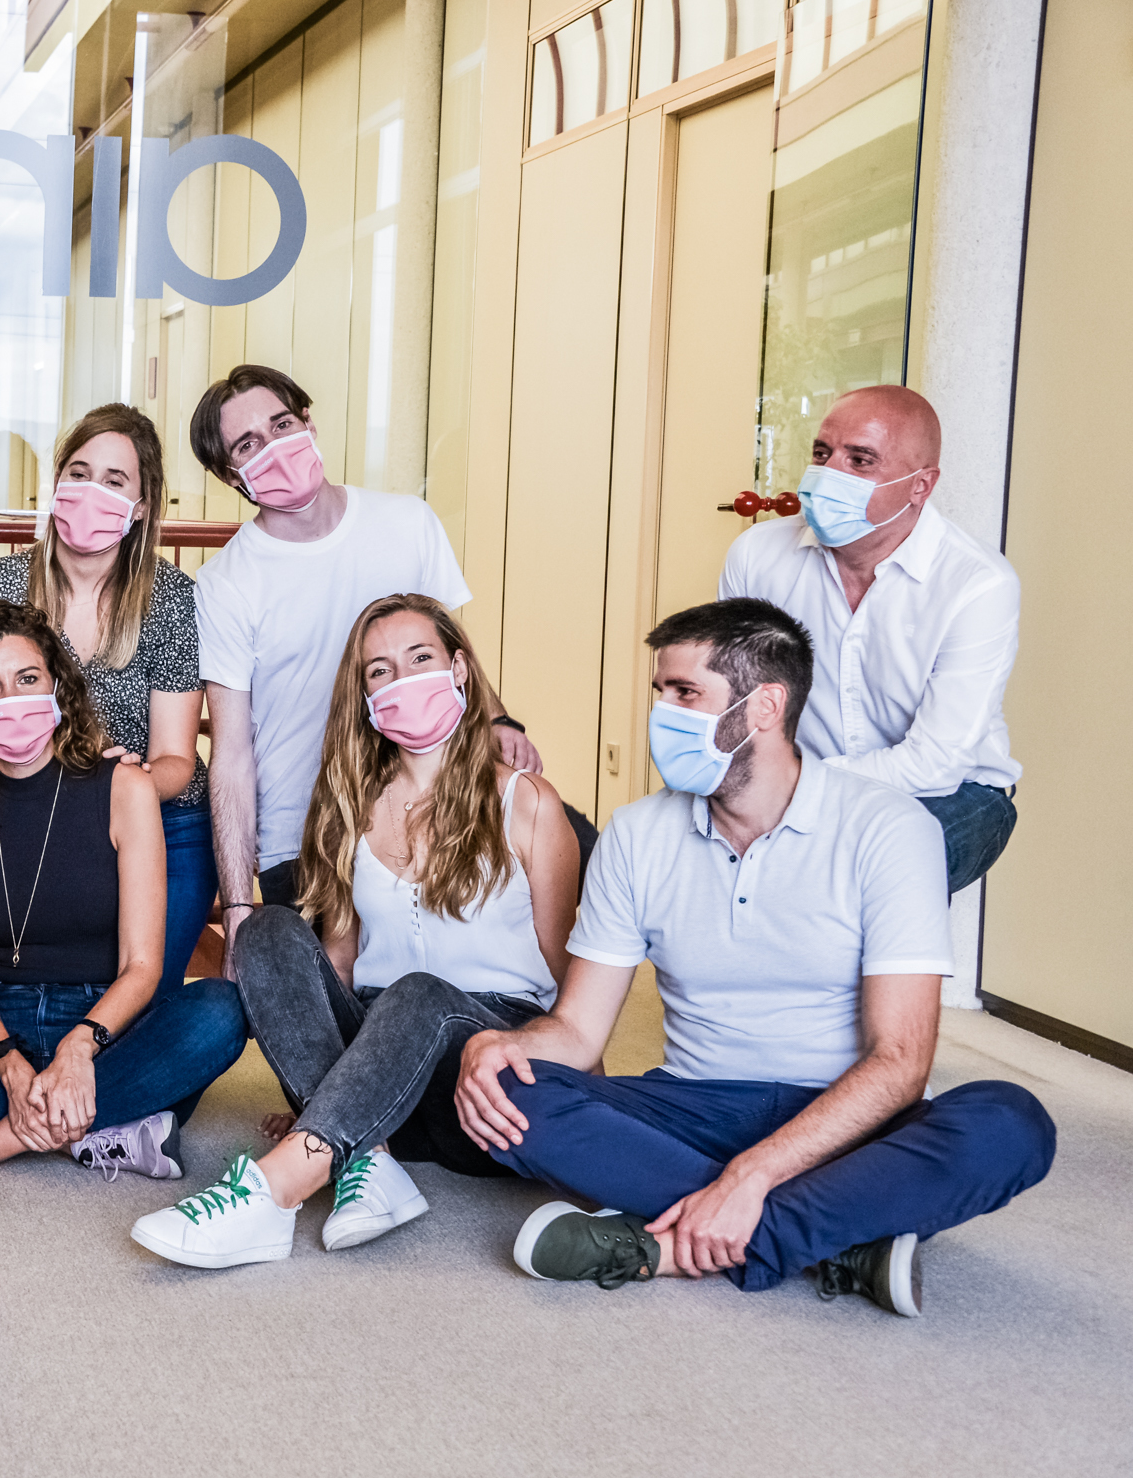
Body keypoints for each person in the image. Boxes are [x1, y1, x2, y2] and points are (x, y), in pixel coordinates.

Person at [455, 598, 1053, 1316]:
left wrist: (752, 1175)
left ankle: (670, 1247)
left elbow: (900, 1060)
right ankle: (837, 1237)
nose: (661, 714)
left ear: (764, 705)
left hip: (844, 1117)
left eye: (685, 694)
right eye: (659, 693)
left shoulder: (888, 828)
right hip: (693, 1100)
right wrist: (503, 1045)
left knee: (1009, 1124)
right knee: (510, 1091)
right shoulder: (637, 834)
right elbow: (579, 1030)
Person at [131, 595, 579, 1267]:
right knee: (265, 929)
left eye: (419, 659)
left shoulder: (527, 803)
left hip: (484, 1079)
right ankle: (361, 1152)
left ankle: (278, 1188)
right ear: (363, 695)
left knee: (420, 991)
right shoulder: (349, 809)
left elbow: (570, 991)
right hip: (383, 1077)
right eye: (379, 671)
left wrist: (581, 1124)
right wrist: (335, 1089)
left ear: (458, 669)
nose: (400, 680)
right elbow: (335, 967)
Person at [189, 365, 544, 947]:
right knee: (329, 1012)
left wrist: (499, 720)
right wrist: (235, 905)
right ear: (231, 474)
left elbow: (452, 654)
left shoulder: (407, 523)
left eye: (282, 424)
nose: (275, 448)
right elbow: (231, 753)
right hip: (303, 839)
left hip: (432, 816)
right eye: (249, 444)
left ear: (309, 422)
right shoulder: (225, 583)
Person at [0, 601, 249, 1181]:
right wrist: (9, 1063)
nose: (10, 698)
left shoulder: (126, 787)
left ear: (58, 689)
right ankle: (102, 1131)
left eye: (27, 679)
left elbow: (142, 967)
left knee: (221, 1013)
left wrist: (78, 1049)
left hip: (105, 1028)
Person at [720, 385, 1021, 892]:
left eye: (860, 460)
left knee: (857, 881)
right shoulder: (756, 556)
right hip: (794, 785)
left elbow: (935, 762)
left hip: (952, 793)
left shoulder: (977, 584)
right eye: (822, 453)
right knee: (691, 853)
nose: (827, 473)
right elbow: (732, 702)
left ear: (920, 485)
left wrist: (792, 789)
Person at [0, 403, 213, 1001]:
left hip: (162, 820)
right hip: (27, 813)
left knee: (147, 1002)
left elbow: (175, 756)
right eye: (78, 472)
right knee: (27, 993)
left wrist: (123, 788)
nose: (90, 490)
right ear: (55, 483)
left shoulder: (172, 599)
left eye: (114, 480)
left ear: (142, 505)